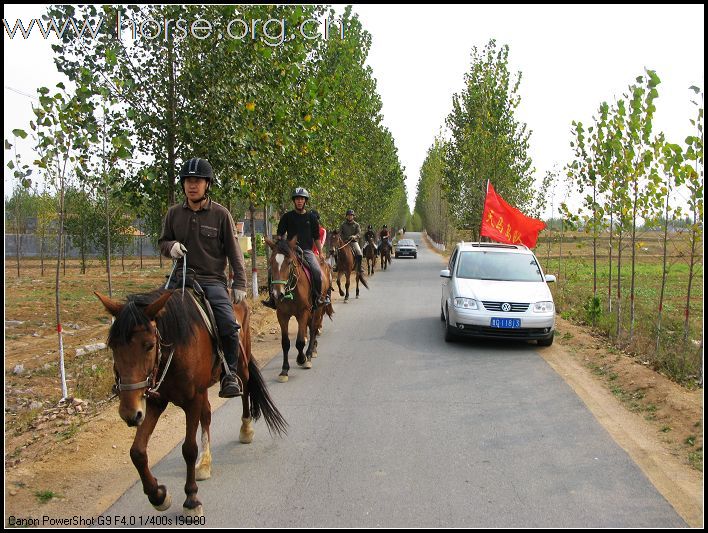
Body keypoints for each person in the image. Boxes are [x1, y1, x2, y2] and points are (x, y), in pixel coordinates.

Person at [158, 157, 246, 398]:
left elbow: (234, 251)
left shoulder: (221, 214)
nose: (191, 185)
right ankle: (155, 374)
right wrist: (171, 246)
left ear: (207, 184)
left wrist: (239, 282)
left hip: (212, 281)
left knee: (228, 325)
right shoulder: (173, 214)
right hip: (179, 279)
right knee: (149, 318)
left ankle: (230, 373)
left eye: (197, 181)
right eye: (187, 181)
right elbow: (162, 243)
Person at [262, 187, 327, 310]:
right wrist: (279, 243)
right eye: (297, 199)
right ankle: (272, 298)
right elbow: (280, 234)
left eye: (302, 199)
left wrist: (321, 252)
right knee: (272, 270)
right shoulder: (287, 217)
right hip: (289, 250)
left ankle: (318, 298)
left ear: (305, 201)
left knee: (317, 272)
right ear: (294, 201)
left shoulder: (312, 218)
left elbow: (316, 237)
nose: (299, 201)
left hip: (306, 251)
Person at [339, 209, 364, 274]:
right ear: (346, 216)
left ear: (353, 216)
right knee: (337, 252)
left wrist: (354, 236)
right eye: (348, 215)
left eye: (351, 215)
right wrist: (342, 239)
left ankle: (359, 267)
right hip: (344, 242)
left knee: (359, 253)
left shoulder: (356, 225)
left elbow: (359, 234)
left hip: (353, 242)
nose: (350, 216)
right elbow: (340, 233)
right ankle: (337, 266)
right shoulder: (343, 224)